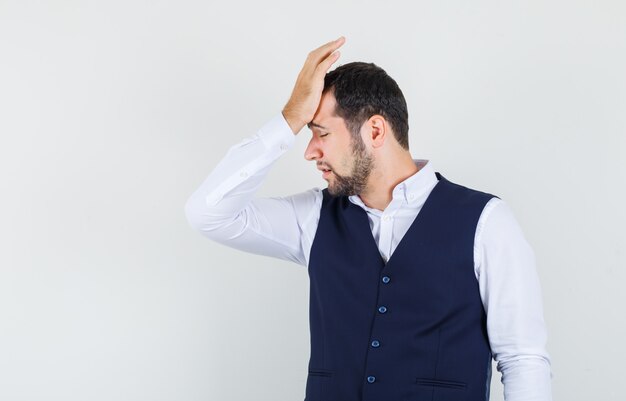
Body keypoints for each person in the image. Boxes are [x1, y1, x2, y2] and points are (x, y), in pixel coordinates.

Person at [184, 37, 552, 401]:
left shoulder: (487, 221)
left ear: (375, 131)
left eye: (321, 133)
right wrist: (290, 118)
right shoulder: (312, 217)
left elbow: (522, 360)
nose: (310, 151)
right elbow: (209, 213)